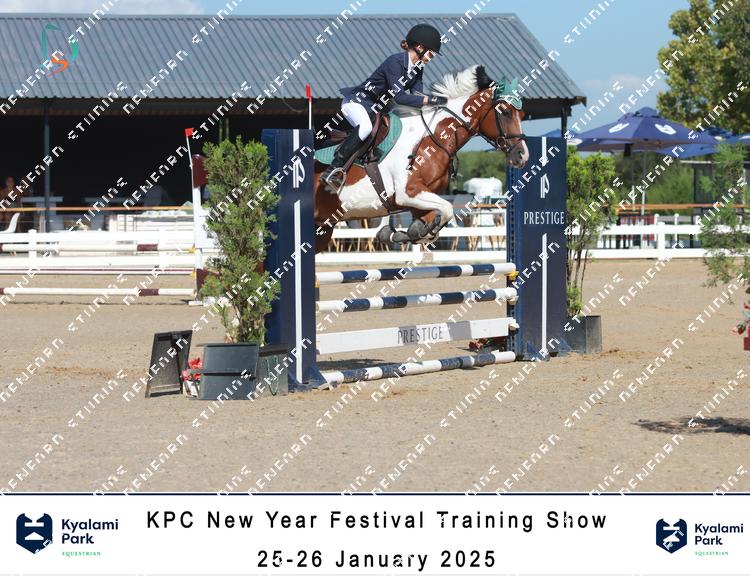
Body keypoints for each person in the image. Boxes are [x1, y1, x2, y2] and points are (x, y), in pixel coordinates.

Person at [322, 23, 448, 190]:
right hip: (357, 102)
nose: (432, 58)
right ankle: (333, 169)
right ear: (419, 47)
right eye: (431, 53)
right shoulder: (395, 62)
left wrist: (436, 102)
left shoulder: (418, 68)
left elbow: (417, 95)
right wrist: (430, 100)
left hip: (375, 109)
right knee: (365, 128)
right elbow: (400, 97)